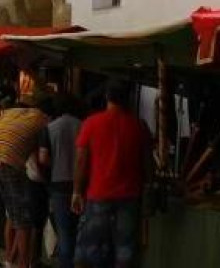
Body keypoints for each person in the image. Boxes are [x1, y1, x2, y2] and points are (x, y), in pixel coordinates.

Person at [73, 80, 151, 268]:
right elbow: (148, 164)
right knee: (124, 253)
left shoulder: (91, 123)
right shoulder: (139, 126)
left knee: (89, 252)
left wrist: (77, 191)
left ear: (107, 97)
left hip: (98, 196)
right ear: (128, 99)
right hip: (129, 199)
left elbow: (81, 161)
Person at [0, 79, 49, 268]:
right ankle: (23, 264)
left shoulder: (11, 112)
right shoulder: (43, 120)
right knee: (22, 219)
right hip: (9, 160)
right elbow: (40, 156)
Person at [39, 94, 83, 268]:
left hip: (58, 184)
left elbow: (43, 158)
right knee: (80, 231)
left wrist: (56, 163)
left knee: (64, 233)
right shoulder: (83, 125)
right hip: (81, 184)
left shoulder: (49, 128)